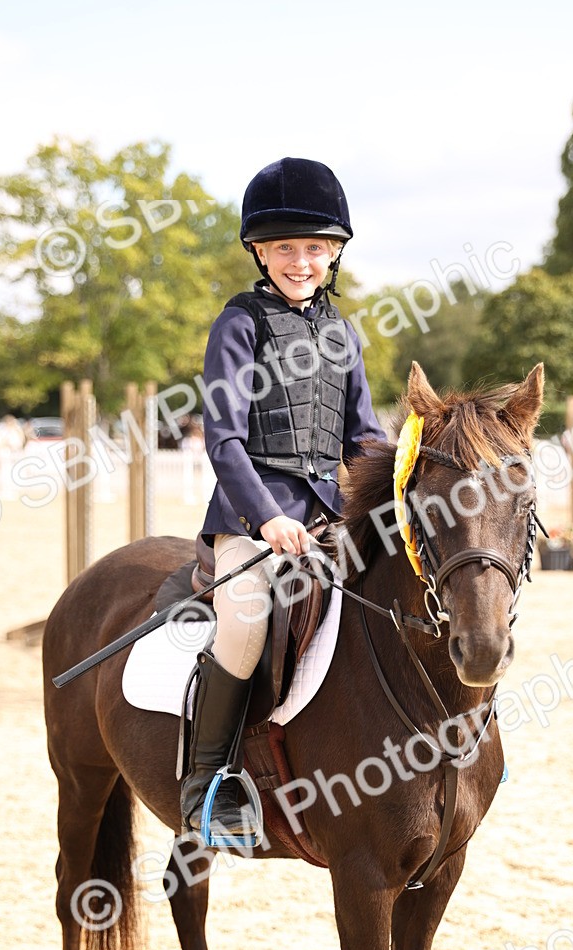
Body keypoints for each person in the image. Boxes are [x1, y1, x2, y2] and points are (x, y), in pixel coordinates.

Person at [180, 156, 386, 846]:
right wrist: (266, 517)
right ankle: (207, 782)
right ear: (260, 252)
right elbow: (224, 436)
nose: (301, 261)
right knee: (244, 622)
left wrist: (388, 501)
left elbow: (365, 436)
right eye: (286, 248)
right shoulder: (239, 324)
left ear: (333, 253)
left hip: (329, 518)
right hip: (251, 518)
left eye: (315, 248)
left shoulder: (343, 333)